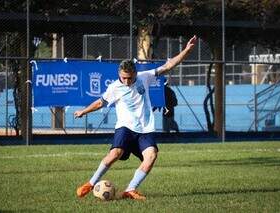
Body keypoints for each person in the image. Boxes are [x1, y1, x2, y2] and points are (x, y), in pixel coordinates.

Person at [74, 35, 197, 200]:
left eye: (129, 78)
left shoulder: (144, 77)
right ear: (119, 73)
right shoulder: (114, 87)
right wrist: (84, 111)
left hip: (145, 129)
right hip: (125, 127)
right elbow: (100, 103)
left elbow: (168, 66)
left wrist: (187, 50)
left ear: (135, 73)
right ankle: (90, 183)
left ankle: (130, 190)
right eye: (123, 77)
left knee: (151, 155)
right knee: (115, 153)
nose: (126, 81)